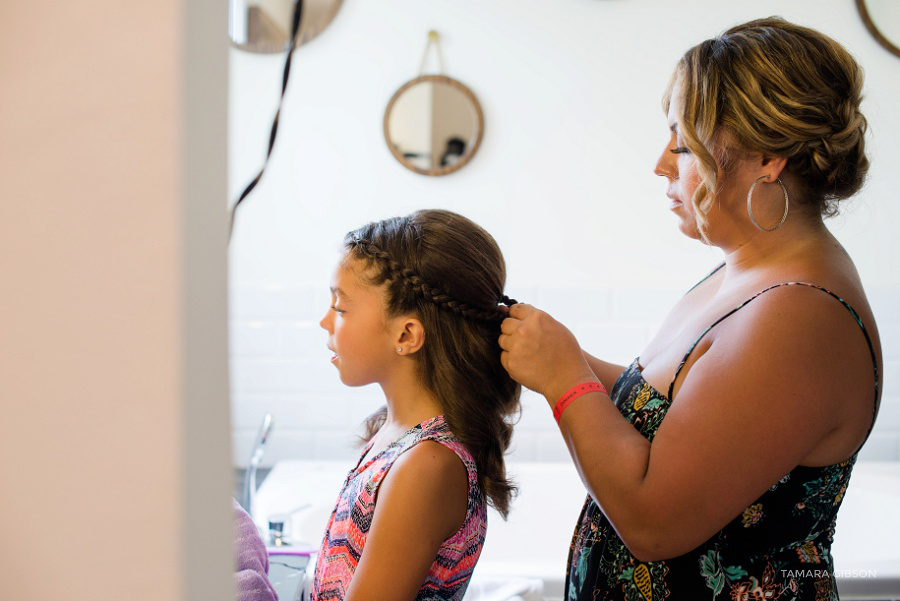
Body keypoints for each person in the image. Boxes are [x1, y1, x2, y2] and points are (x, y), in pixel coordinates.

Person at [498, 17, 882, 600]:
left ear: (767, 156)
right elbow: (661, 409)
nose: (661, 163)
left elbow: (655, 522)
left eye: (682, 142)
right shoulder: (749, 272)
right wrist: (553, 350)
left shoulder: (800, 317)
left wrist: (562, 377)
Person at [313, 209, 521, 600]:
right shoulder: (394, 436)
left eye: (340, 308)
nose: (325, 321)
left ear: (406, 334)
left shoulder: (425, 466)